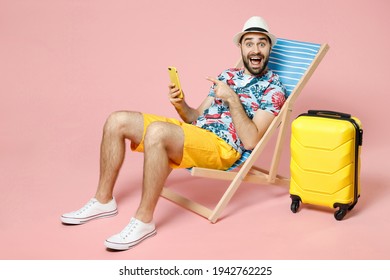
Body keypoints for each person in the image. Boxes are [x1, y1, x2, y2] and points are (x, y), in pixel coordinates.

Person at [61, 16, 287, 251]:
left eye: (262, 43)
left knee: (157, 132)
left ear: (269, 47)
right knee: (117, 120)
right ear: (240, 47)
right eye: (249, 43)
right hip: (196, 133)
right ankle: (103, 200)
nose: (256, 49)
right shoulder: (228, 75)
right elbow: (194, 117)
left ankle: (143, 220)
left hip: (223, 147)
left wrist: (231, 98)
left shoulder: (273, 88)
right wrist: (180, 104)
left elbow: (251, 141)